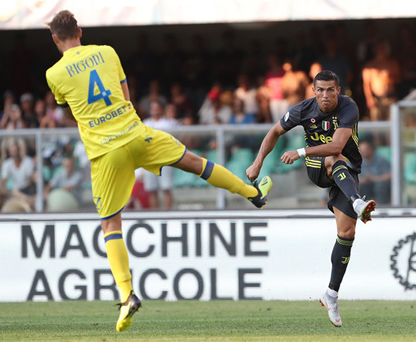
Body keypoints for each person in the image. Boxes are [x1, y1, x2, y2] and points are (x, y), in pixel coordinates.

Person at [45, 10, 273, 332]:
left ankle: (127, 295)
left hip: (106, 152)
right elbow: (125, 95)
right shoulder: (107, 52)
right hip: (137, 134)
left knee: (111, 224)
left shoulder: (54, 74)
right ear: (80, 31)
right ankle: (253, 193)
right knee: (194, 163)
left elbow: (71, 109)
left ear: (55, 38)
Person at [246, 70, 376, 327]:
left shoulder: (348, 107)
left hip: (346, 173)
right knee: (333, 159)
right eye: (321, 90)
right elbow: (274, 132)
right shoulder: (301, 110)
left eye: (331, 90)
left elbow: (338, 145)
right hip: (319, 166)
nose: (326, 95)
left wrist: (300, 150)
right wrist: (257, 163)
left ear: (338, 91)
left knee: (347, 233)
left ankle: (331, 294)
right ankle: (358, 202)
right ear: (313, 91)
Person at [358, 140, 391, 204]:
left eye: (365, 149)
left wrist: (375, 178)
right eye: (361, 149)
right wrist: (363, 180)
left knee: (380, 186)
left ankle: (381, 206)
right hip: (366, 186)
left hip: (380, 185)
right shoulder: (359, 162)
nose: (364, 151)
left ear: (371, 149)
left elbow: (391, 174)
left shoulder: (381, 160)